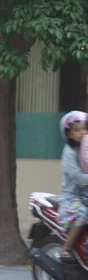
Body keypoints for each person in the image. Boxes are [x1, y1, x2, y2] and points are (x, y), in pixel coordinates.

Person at [58, 111, 88, 262]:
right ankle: (66, 248)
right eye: (77, 130)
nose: (82, 133)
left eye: (84, 129)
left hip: (85, 194)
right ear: (68, 134)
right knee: (83, 214)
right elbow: (78, 177)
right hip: (71, 197)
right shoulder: (69, 152)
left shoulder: (84, 149)